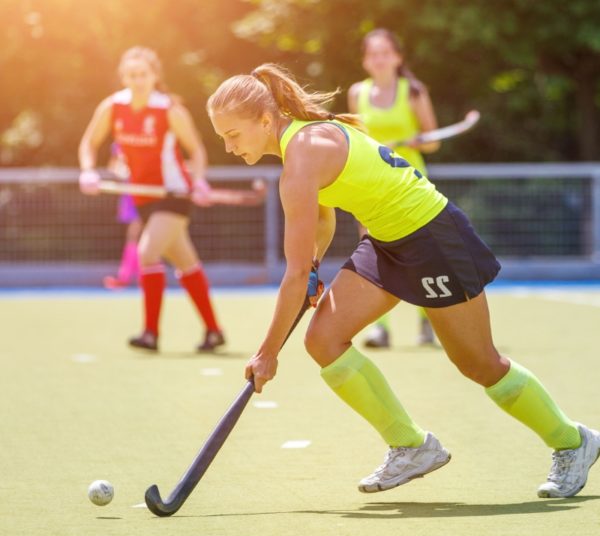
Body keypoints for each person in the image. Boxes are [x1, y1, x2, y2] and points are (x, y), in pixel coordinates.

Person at [206, 62, 600, 498]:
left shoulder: (302, 156)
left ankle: (574, 441)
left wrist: (266, 354)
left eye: (233, 135)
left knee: (478, 363)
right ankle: (411, 446)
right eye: (222, 137)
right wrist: (317, 267)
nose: (227, 147)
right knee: (323, 340)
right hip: (386, 240)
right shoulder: (299, 144)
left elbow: (294, 273)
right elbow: (321, 222)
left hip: (432, 235)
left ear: (264, 119)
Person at [79, 46, 225, 352]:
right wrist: (88, 171)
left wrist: (198, 180)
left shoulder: (169, 109)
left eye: (143, 74)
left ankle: (150, 333)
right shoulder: (113, 107)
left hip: (173, 194)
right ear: (123, 77)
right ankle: (214, 331)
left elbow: (196, 150)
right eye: (131, 75)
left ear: (154, 76)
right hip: (143, 197)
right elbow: (89, 143)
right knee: (186, 261)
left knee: (147, 253)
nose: (138, 80)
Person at [348, 28, 440, 348]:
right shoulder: (356, 93)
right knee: (375, 254)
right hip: (372, 184)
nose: (379, 59)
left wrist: (419, 141)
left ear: (397, 58)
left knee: (422, 254)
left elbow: (434, 141)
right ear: (365, 61)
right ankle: (380, 328)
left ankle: (429, 323)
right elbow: (355, 140)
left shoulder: (413, 91)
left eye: (385, 52)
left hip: (412, 185)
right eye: (373, 53)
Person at [103, 142, 142, 290]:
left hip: (143, 192)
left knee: (136, 235)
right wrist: (121, 171)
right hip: (130, 194)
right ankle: (137, 277)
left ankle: (128, 277)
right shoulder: (118, 144)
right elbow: (113, 166)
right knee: (134, 236)